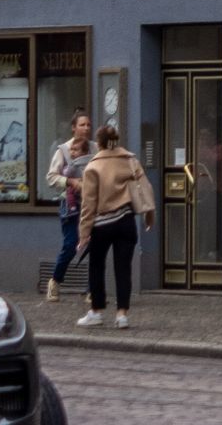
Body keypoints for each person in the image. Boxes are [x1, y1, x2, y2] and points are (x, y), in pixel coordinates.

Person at [75, 124, 153, 329]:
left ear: (98, 143)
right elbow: (146, 188)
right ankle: (122, 315)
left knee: (96, 266)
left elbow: (88, 204)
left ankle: (96, 312)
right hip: (126, 221)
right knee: (123, 268)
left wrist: (84, 234)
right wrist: (149, 215)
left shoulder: (93, 166)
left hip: (102, 224)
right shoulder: (130, 160)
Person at [43, 110, 94, 302]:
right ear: (74, 128)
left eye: (88, 125)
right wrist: (71, 182)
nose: (86, 128)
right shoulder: (63, 150)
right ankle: (55, 281)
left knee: (95, 246)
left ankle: (92, 290)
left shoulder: (96, 148)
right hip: (71, 206)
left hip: (92, 204)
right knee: (71, 244)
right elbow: (51, 177)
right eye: (82, 125)